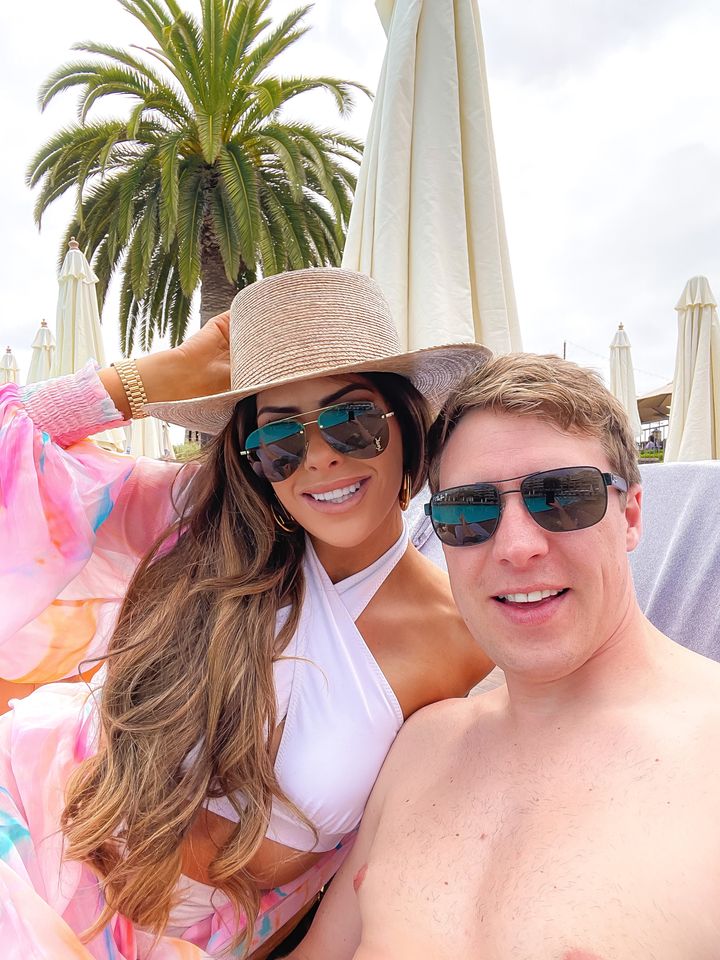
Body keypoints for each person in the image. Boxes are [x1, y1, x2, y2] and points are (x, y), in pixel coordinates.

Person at [0, 267, 494, 960]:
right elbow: (13, 450)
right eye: (279, 441)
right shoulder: (202, 530)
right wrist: (150, 378)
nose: (317, 459)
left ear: (407, 426)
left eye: (351, 423)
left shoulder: (469, 637)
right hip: (32, 830)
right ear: (251, 457)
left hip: (179, 941)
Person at [284, 353, 720, 960]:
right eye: (470, 512)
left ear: (630, 515)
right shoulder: (420, 747)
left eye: (562, 498)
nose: (516, 547)